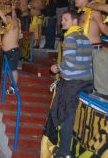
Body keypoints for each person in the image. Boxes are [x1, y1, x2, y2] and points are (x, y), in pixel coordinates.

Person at [49, 10, 93, 158]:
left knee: (65, 117)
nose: (62, 22)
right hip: (85, 83)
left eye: (65, 19)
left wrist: (56, 67)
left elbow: (70, 63)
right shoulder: (85, 38)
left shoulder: (69, 39)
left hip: (72, 85)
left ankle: (64, 152)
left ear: (74, 22)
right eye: (62, 19)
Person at [0, 1, 20, 94]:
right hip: (7, 52)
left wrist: (13, 10)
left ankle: (14, 87)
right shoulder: (8, 25)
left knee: (13, 69)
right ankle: (11, 86)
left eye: (8, 17)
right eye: (7, 17)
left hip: (13, 51)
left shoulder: (15, 26)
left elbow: (14, 19)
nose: (6, 18)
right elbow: (2, 16)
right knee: (9, 70)